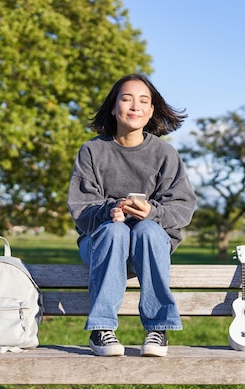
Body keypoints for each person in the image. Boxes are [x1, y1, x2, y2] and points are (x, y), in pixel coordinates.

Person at [67, 74, 197, 357]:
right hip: (102, 244)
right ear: (114, 107)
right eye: (126, 99)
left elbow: (183, 207)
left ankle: (158, 329)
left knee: (146, 230)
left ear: (151, 111)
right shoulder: (92, 151)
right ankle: (101, 329)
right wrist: (108, 211)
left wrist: (152, 212)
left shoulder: (165, 154)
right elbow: (81, 208)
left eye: (143, 101)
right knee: (116, 231)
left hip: (150, 246)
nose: (134, 106)